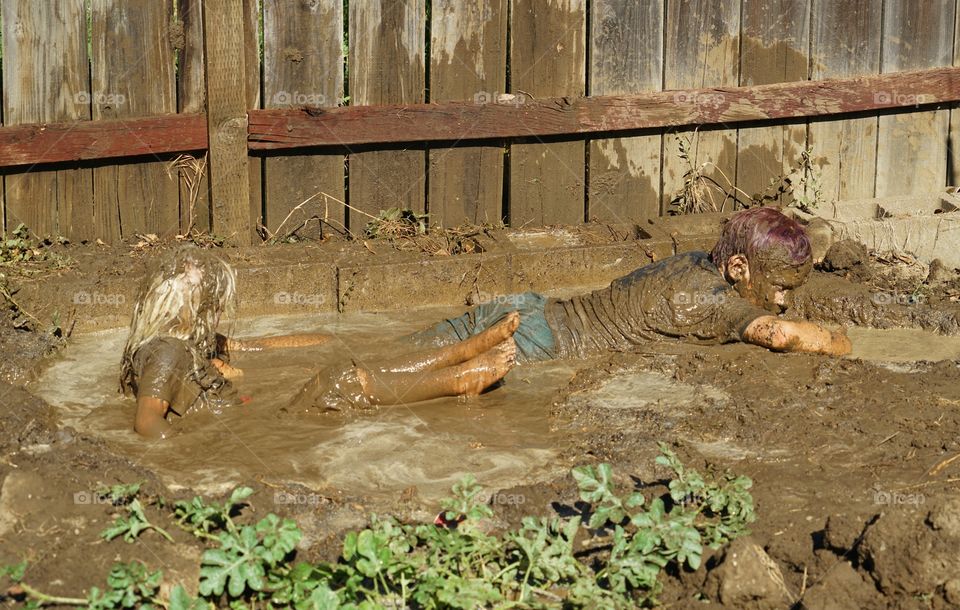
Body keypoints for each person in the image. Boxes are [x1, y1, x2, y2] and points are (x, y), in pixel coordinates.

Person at [120, 247, 518, 438]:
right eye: (213, 307)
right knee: (339, 381)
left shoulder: (184, 345)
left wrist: (324, 338)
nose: (218, 315)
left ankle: (459, 352)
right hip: (262, 427)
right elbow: (147, 422)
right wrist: (200, 453)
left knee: (353, 368)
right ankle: (462, 378)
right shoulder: (168, 353)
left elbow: (260, 347)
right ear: (187, 308)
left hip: (254, 416)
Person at [410, 206, 852, 360]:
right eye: (779, 287)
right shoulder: (714, 301)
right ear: (738, 268)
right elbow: (780, 335)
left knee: (400, 357)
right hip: (539, 344)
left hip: (528, 310)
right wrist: (839, 342)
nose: (784, 301)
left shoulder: (695, 261)